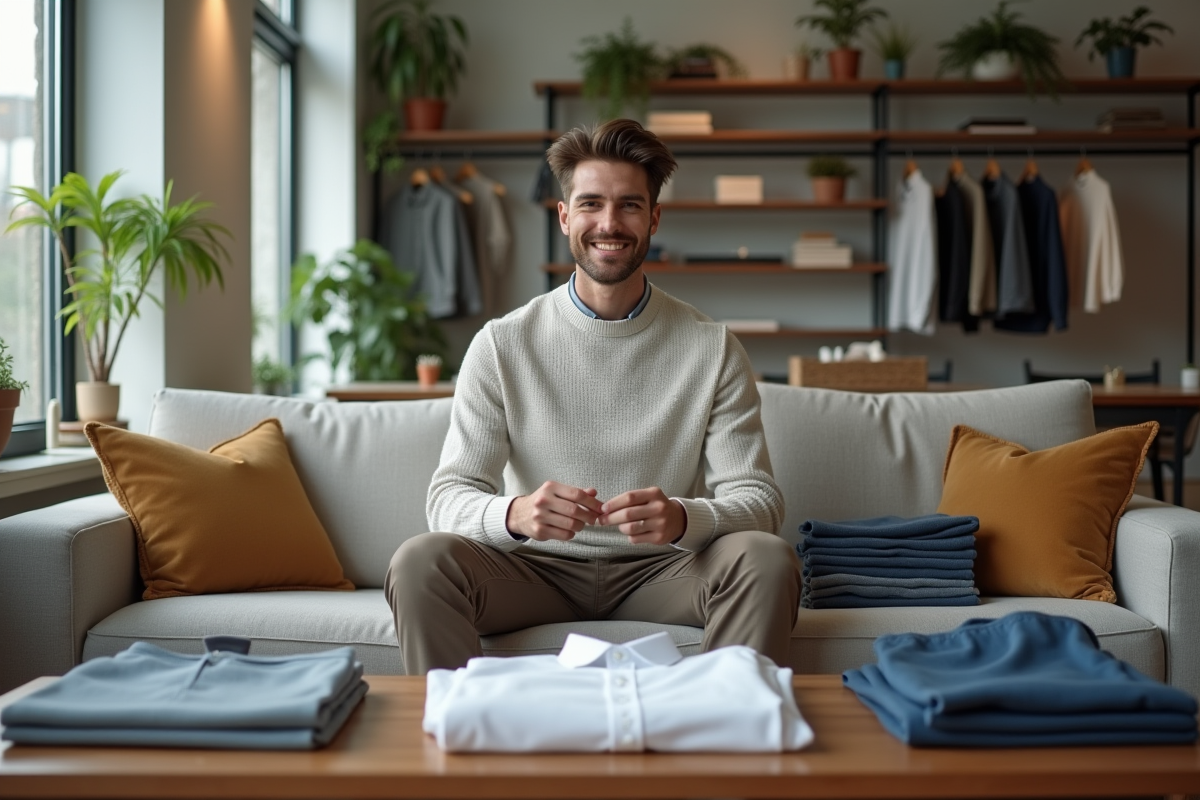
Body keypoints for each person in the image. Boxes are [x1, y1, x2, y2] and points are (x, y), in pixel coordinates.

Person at [385, 118, 801, 675]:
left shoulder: (713, 347)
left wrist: (684, 519)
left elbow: (760, 501)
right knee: (419, 561)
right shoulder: (502, 344)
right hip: (530, 572)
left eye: (630, 205)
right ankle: (458, 733)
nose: (610, 223)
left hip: (664, 573)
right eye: (590, 204)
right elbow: (449, 497)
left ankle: (722, 728)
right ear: (564, 217)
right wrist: (516, 513)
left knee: (768, 559)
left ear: (654, 217)